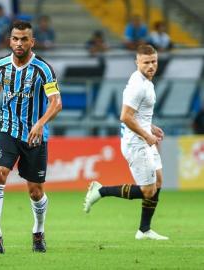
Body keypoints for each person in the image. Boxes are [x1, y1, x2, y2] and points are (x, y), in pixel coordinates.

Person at [0, 20, 62, 253]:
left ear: (32, 42)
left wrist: (40, 123)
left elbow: (56, 103)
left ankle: (38, 231)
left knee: (35, 191)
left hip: (34, 136)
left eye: (24, 39)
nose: (19, 43)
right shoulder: (0, 66)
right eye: (15, 39)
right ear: (10, 40)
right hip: (7, 129)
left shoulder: (43, 69)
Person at [84, 44, 169, 240]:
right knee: (149, 190)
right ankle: (101, 191)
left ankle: (144, 230)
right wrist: (147, 135)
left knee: (158, 181)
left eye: (154, 62)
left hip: (144, 137)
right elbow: (125, 116)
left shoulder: (146, 82)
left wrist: (151, 127)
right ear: (137, 62)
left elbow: (137, 114)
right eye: (146, 62)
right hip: (136, 143)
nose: (151, 66)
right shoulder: (138, 86)